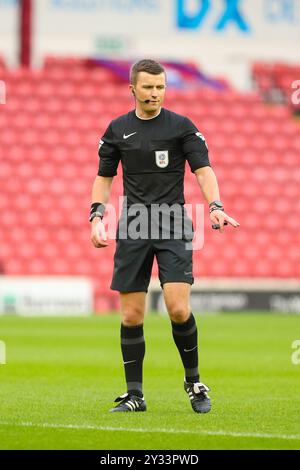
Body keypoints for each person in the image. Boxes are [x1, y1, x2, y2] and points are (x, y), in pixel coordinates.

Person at [90, 59, 239, 414]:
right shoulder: (117, 129)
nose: (155, 93)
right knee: (131, 316)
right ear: (133, 88)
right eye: (148, 87)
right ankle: (135, 395)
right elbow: (104, 177)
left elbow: (203, 171)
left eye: (160, 87)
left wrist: (215, 206)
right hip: (134, 225)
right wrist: (96, 215)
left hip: (173, 223)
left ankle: (193, 381)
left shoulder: (181, 126)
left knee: (176, 307)